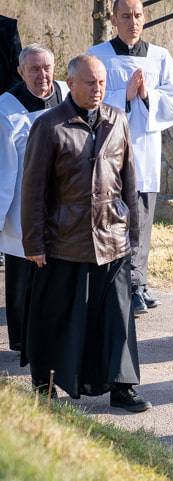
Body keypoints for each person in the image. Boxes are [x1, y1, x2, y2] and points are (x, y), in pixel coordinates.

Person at [20, 54, 148, 412]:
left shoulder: (118, 119)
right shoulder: (49, 125)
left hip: (112, 236)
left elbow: (129, 181)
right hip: (65, 239)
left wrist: (132, 236)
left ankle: (123, 387)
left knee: (117, 317)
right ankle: (46, 385)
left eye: (102, 83)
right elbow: (33, 189)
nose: (97, 89)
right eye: (90, 83)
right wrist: (34, 242)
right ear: (71, 83)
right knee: (56, 315)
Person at [89, 0, 173, 316]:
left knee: (142, 221)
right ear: (114, 19)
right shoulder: (98, 56)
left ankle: (138, 284)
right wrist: (124, 96)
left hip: (145, 151)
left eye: (138, 15)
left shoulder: (160, 57)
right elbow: (87, 99)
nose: (133, 21)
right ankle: (122, 285)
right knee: (115, 220)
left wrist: (147, 95)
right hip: (110, 154)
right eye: (126, 16)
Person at [0, 44, 68, 353]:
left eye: (47, 68)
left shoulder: (68, 93)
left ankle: (55, 336)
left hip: (64, 202)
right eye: (34, 69)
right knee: (24, 276)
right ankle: (23, 341)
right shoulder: (7, 108)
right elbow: (4, 168)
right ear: (20, 72)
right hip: (22, 203)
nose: (42, 75)